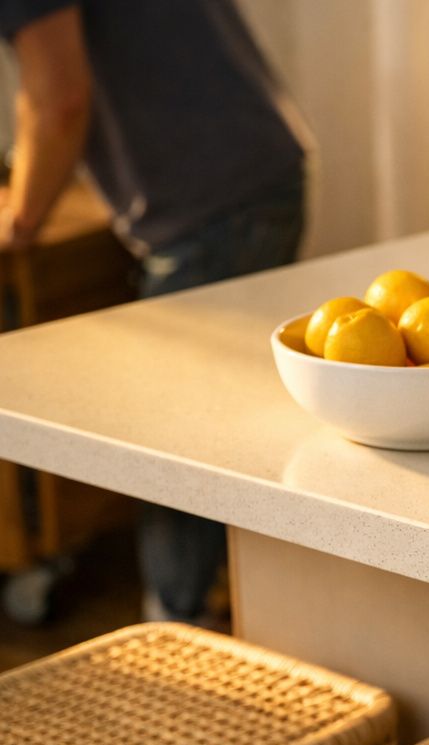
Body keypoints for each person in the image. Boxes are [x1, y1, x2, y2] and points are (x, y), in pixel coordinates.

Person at [0, 0, 308, 623]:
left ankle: (184, 636)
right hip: (260, 164)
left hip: (216, 203)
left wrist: (19, 219)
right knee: (214, 419)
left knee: (175, 436)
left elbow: (57, 101)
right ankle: (212, 607)